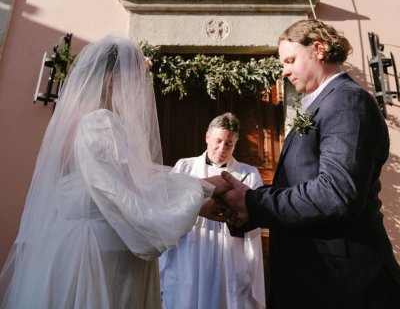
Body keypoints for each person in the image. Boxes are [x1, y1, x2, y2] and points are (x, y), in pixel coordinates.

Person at [0, 36, 229, 309]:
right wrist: (203, 189)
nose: (141, 90)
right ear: (111, 79)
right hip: (101, 253)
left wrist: (201, 198)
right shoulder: (100, 122)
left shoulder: (75, 120)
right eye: (136, 79)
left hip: (72, 246)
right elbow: (123, 193)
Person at [221, 19, 400, 309]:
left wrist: (253, 202)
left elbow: (336, 194)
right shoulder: (322, 103)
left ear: (318, 49)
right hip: (314, 280)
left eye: (290, 60)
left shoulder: (346, 101)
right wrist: (244, 212)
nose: (285, 70)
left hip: (342, 286)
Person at [160, 112, 266, 309]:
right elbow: (168, 208)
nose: (222, 148)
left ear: (235, 143)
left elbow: (255, 217)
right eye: (218, 141)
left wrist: (239, 215)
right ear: (207, 136)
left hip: (230, 258)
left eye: (229, 143)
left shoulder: (248, 173)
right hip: (190, 254)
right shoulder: (185, 167)